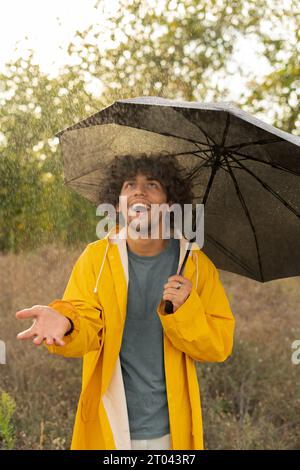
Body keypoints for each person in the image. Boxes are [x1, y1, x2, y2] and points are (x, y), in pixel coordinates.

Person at [16, 154, 235, 450]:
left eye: (152, 184)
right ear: (118, 202)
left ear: (171, 204)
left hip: (171, 433)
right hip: (109, 428)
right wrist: (66, 322)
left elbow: (218, 346)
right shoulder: (97, 258)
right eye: (129, 184)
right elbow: (86, 322)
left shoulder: (195, 265)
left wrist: (186, 308)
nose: (138, 192)